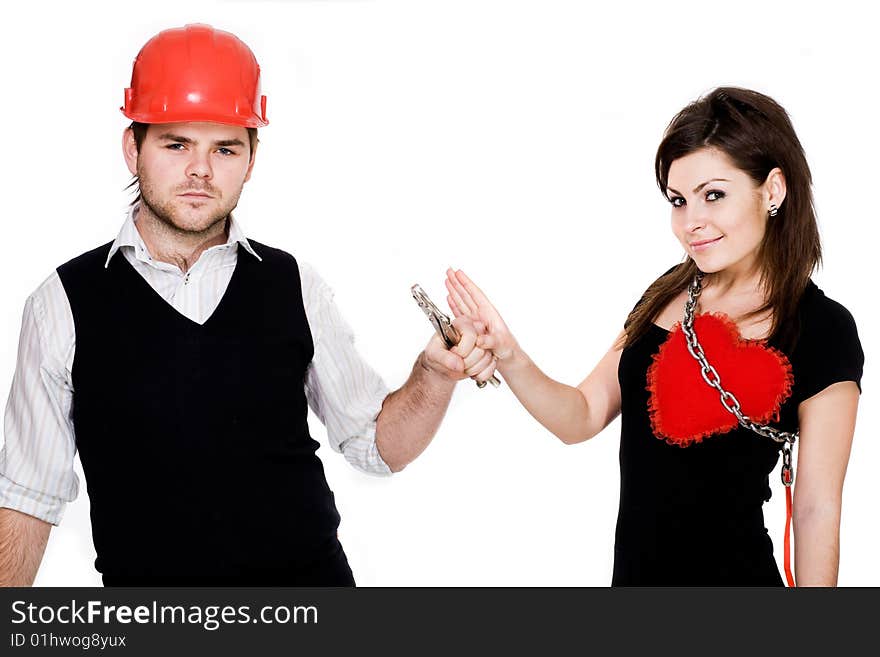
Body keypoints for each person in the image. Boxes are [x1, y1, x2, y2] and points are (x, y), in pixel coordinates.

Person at [0, 24, 493, 587]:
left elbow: (380, 448)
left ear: (251, 158)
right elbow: (26, 494)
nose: (201, 171)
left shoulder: (294, 286)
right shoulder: (62, 304)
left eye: (225, 148)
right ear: (132, 147)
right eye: (177, 143)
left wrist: (432, 376)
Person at [445, 87, 864, 586]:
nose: (692, 223)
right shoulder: (668, 292)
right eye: (678, 201)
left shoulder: (823, 328)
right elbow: (580, 415)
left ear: (772, 190)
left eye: (714, 195)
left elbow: (817, 510)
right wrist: (509, 354)